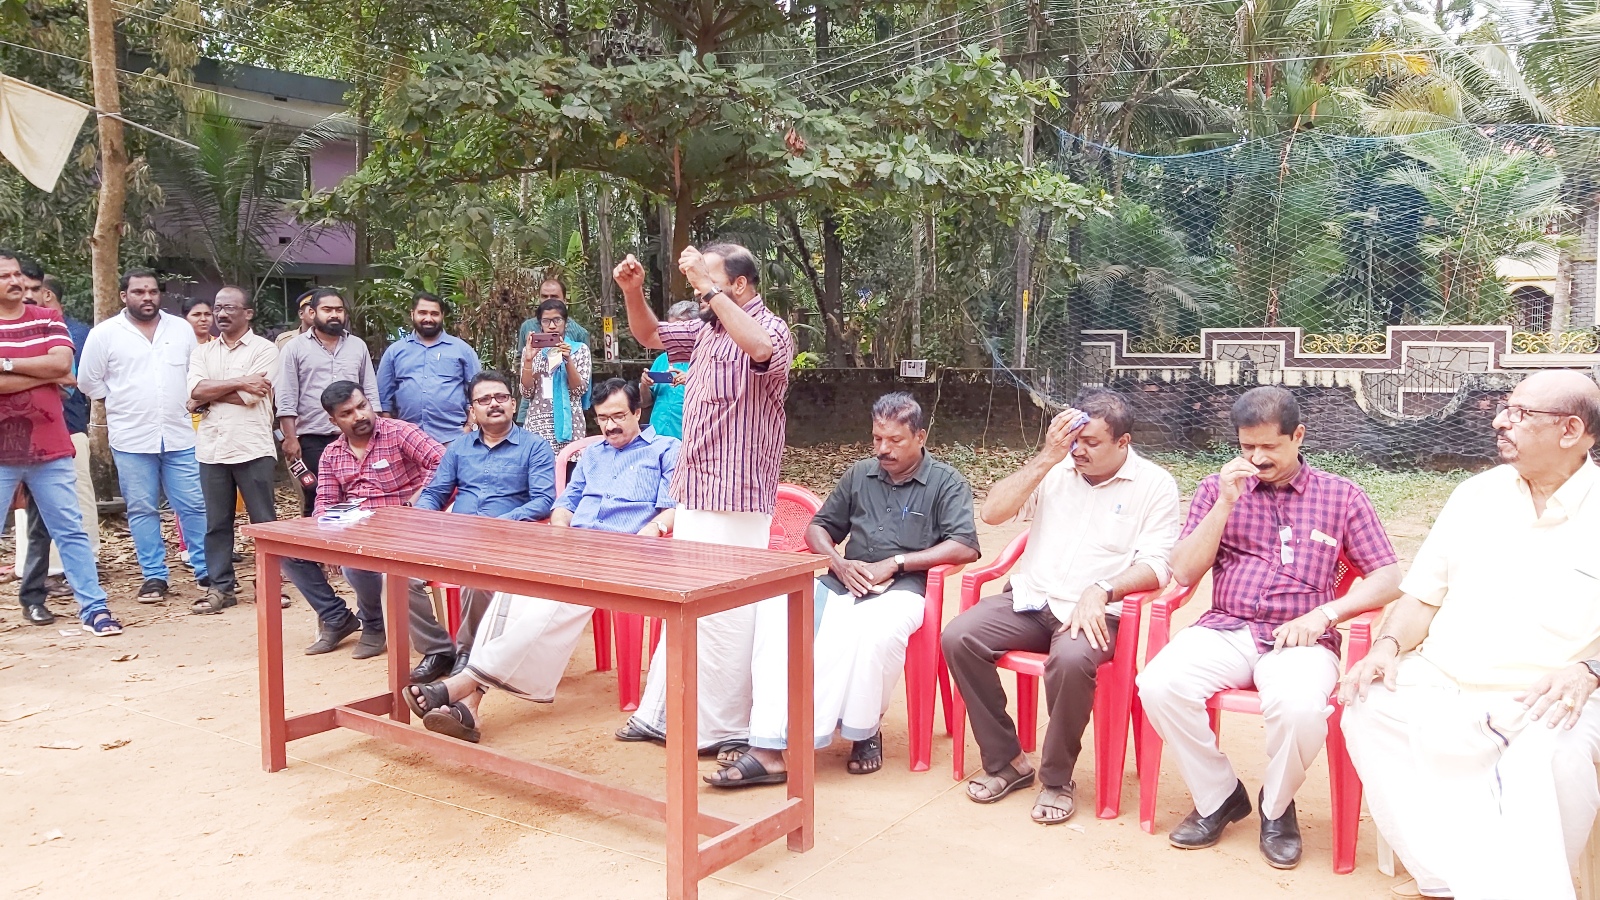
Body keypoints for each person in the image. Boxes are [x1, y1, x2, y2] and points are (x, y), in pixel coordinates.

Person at [1340, 371, 1600, 900]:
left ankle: (1524, 889)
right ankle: (1447, 877)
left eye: (1521, 413)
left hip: (1553, 690)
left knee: (1551, 759)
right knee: (1366, 704)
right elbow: (1421, 597)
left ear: (1571, 430)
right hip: (1446, 677)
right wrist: (1387, 648)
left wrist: (1588, 670)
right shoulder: (1474, 495)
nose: (1501, 420)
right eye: (1507, 407)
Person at [1135, 385, 1403, 870]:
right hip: (1227, 627)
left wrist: (1326, 614)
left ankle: (1276, 809)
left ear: (1298, 436)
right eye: (1246, 447)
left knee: (1300, 708)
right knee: (1158, 683)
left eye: (1269, 447)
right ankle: (1219, 796)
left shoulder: (1341, 496)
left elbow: (1388, 577)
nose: (1256, 458)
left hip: (1300, 637)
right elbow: (1185, 572)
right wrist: (1224, 504)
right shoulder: (1217, 490)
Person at [707, 393, 980, 787]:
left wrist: (897, 562)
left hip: (903, 588)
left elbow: (964, 545)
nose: (883, 450)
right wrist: (838, 561)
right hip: (842, 580)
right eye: (876, 439)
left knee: (874, 634)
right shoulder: (859, 475)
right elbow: (818, 528)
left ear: (921, 436)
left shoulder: (946, 482)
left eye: (895, 441)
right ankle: (767, 740)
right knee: (776, 612)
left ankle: (864, 729)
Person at [942, 389, 1182, 822]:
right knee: (958, 636)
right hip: (1031, 598)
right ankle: (1006, 761)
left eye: (1092, 442)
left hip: (1094, 612)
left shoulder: (1155, 485)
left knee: (1070, 661)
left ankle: (1056, 779)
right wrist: (1046, 457)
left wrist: (1104, 588)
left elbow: (1159, 566)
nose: (1079, 450)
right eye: (1075, 439)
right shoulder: (1056, 468)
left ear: (1123, 443)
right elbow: (993, 514)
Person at [404, 378, 677, 742]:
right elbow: (566, 502)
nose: (610, 426)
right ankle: (468, 707)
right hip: (575, 548)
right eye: (602, 418)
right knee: (511, 595)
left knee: (554, 604)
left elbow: (676, 505)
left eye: (619, 416)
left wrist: (654, 530)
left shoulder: (665, 449)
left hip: (625, 552)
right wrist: (562, 527)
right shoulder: (593, 454)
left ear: (638, 413)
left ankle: (462, 684)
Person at [612, 241, 795, 754]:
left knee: (727, 617)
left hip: (736, 496)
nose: (697, 290)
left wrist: (708, 291)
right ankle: (662, 714)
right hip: (694, 489)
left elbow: (760, 350)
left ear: (738, 285)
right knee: (686, 604)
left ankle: (720, 730)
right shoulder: (703, 330)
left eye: (709, 280)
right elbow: (649, 333)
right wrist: (633, 292)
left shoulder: (771, 329)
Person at [282, 381, 453, 670]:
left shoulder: (398, 432)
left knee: (356, 564)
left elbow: (445, 463)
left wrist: (415, 501)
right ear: (333, 420)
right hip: (358, 530)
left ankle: (374, 623)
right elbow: (324, 502)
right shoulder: (332, 454)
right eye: (347, 413)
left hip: (408, 526)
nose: (359, 416)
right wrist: (329, 542)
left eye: (362, 406)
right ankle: (337, 617)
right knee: (287, 551)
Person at [0, 250, 118, 635]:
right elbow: (52, 370)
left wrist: (7, 364)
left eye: (17, 274)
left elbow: (63, 366)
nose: (15, 282)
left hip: (51, 447)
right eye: (5, 276)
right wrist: (44, 374)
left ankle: (94, 609)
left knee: (69, 530)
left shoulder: (48, 318)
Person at [413, 369, 557, 681]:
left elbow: (544, 500)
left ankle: (468, 652)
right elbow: (436, 492)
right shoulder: (459, 448)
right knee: (395, 576)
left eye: (501, 397)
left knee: (477, 577)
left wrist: (499, 524)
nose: (494, 404)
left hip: (504, 540)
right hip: (455, 537)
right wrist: (423, 519)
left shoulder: (535, 447)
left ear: (514, 404)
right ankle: (437, 649)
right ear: (473, 410)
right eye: (484, 399)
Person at [79, 268, 210, 602]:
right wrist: (124, 399)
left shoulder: (180, 329)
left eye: (152, 291)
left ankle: (206, 569)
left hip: (180, 435)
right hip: (132, 437)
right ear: (124, 296)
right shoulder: (106, 333)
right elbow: (88, 381)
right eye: (139, 292)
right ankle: (154, 576)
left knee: (193, 504)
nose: (147, 297)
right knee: (141, 509)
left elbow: (196, 371)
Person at [186, 286, 279, 615]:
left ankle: (268, 587)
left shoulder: (265, 350)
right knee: (216, 524)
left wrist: (208, 394)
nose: (220, 314)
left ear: (248, 313)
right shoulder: (203, 353)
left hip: (251, 446)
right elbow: (194, 391)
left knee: (264, 523)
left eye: (229, 308)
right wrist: (240, 381)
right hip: (211, 449)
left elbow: (252, 397)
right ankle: (220, 588)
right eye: (217, 308)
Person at [16, 273, 98, 620]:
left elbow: (67, 375)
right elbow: (54, 373)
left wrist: (13, 370)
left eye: (35, 289)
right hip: (11, 440)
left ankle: (71, 599)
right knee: (30, 522)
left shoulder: (61, 329)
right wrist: (42, 372)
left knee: (56, 522)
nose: (30, 295)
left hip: (60, 435)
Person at [273, 287, 376, 517]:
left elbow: (369, 390)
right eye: (327, 309)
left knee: (358, 492)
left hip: (354, 435)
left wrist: (376, 430)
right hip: (313, 437)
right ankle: (314, 550)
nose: (334, 315)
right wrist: (290, 438)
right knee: (317, 493)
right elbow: (286, 397)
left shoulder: (357, 346)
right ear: (312, 312)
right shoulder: (294, 348)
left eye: (339, 310)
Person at [377, 291, 481, 444]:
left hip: (453, 438)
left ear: (442, 316)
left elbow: (478, 392)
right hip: (407, 441)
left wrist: (469, 428)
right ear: (412, 314)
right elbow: (383, 398)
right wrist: (392, 436)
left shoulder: (462, 350)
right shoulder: (395, 351)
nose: (428, 318)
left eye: (434, 313)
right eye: (422, 313)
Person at [518, 296, 591, 452]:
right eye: (546, 321)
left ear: (565, 322)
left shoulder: (580, 349)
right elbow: (526, 392)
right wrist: (529, 361)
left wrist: (568, 360)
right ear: (540, 324)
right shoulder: (530, 351)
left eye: (557, 320)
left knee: (570, 471)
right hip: (537, 426)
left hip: (570, 426)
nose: (552, 326)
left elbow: (579, 390)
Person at [639, 300, 696, 439]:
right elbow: (645, 402)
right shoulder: (662, 360)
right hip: (657, 436)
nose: (673, 335)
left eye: (678, 330)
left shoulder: (705, 359)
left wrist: (692, 381)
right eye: (670, 330)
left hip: (689, 438)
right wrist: (645, 385)